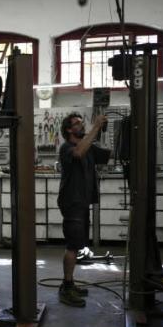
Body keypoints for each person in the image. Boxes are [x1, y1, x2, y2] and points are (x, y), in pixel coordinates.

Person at [57, 112, 110, 307]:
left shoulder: (88, 148)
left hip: (82, 202)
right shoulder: (66, 148)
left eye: (82, 122)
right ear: (69, 130)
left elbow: (107, 155)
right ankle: (66, 286)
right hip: (72, 202)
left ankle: (69, 284)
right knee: (72, 246)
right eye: (77, 124)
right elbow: (78, 153)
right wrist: (96, 127)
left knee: (77, 245)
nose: (82, 125)